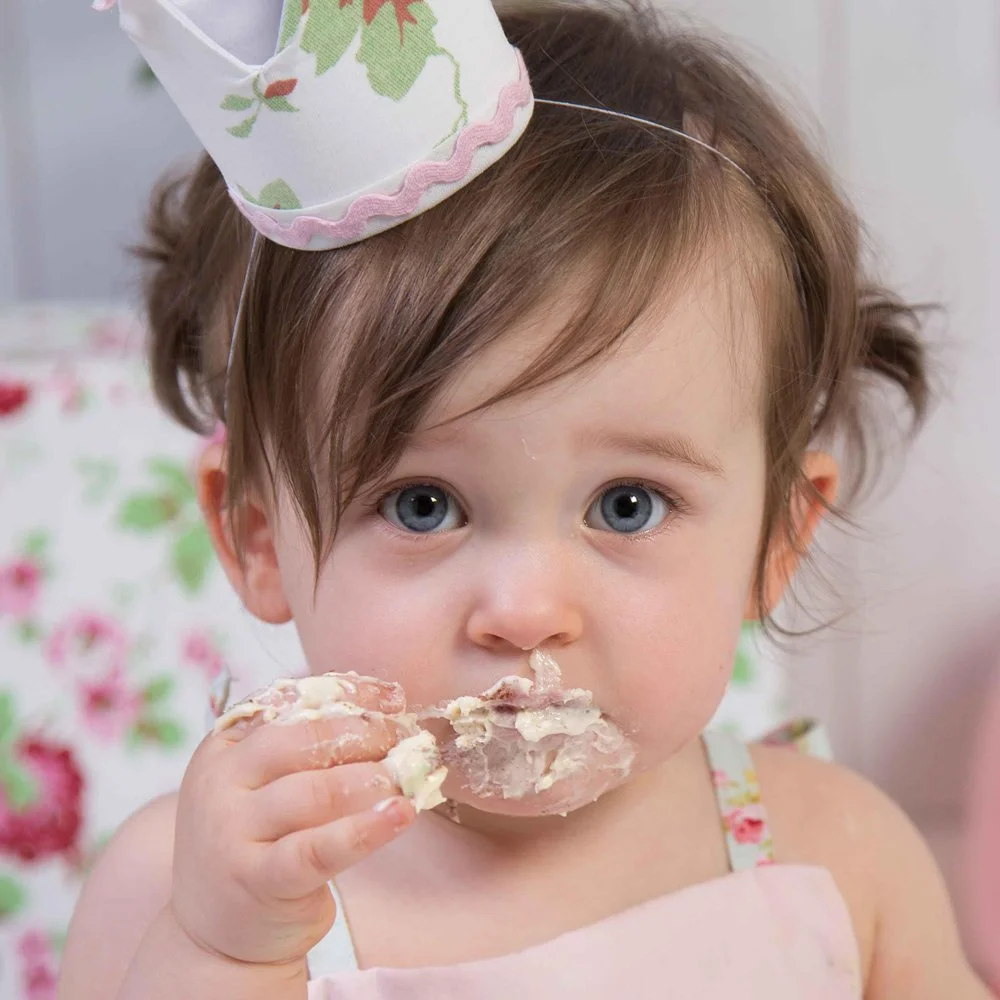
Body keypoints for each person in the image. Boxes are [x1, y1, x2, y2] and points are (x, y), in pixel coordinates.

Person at [58, 0, 990, 997]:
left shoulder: (839, 854)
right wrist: (223, 957)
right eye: (422, 505)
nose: (526, 610)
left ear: (775, 536)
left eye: (627, 504)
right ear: (255, 537)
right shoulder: (185, 895)